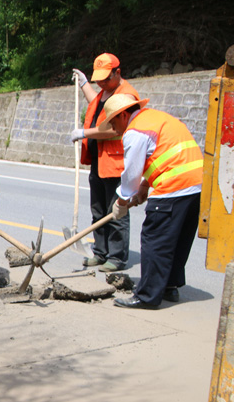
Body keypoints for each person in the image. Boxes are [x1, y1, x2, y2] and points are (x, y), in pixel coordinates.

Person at [98, 94, 203, 309]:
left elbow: (131, 175)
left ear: (123, 115)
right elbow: (165, 155)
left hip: (173, 188)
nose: (114, 129)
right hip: (197, 187)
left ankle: (147, 296)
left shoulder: (135, 131)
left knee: (154, 240)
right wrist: (145, 186)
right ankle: (170, 286)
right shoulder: (158, 118)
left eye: (114, 122)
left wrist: (121, 203)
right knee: (176, 240)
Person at [70, 53, 140, 272]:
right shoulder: (106, 91)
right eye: (97, 80)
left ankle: (117, 257)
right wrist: (84, 84)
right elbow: (97, 104)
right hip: (99, 161)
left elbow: (114, 128)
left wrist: (84, 133)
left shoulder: (126, 95)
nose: (101, 84)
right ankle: (100, 252)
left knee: (115, 210)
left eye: (105, 79)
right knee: (98, 210)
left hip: (115, 163)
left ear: (117, 73)